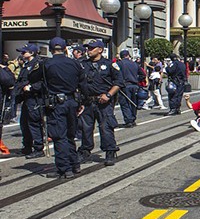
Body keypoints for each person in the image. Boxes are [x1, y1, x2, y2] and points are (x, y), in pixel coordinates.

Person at [43, 38, 87, 178]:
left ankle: (64, 168)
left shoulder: (46, 64)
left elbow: (35, 80)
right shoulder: (75, 63)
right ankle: (75, 164)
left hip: (56, 103)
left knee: (58, 136)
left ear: (50, 50)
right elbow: (83, 83)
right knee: (70, 135)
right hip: (72, 101)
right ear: (65, 49)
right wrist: (82, 102)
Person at [77, 39, 124, 166]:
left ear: (100, 50)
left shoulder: (109, 64)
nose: (89, 50)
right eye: (88, 48)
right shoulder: (82, 64)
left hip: (103, 102)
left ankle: (110, 151)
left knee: (106, 127)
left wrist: (109, 95)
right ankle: (85, 150)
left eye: (92, 48)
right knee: (85, 128)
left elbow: (119, 82)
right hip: (87, 101)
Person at [14, 43, 45, 158]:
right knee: (24, 123)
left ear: (31, 53)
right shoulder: (26, 65)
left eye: (23, 52)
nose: (21, 54)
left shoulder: (38, 65)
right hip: (26, 99)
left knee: (34, 123)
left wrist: (31, 87)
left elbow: (43, 82)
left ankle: (38, 147)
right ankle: (27, 146)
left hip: (34, 98)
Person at [116, 49, 141, 127]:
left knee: (125, 103)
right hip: (135, 85)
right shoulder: (135, 64)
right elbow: (142, 74)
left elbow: (115, 74)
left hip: (125, 86)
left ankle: (128, 120)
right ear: (128, 55)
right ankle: (133, 119)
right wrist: (137, 80)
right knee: (134, 103)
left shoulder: (119, 64)